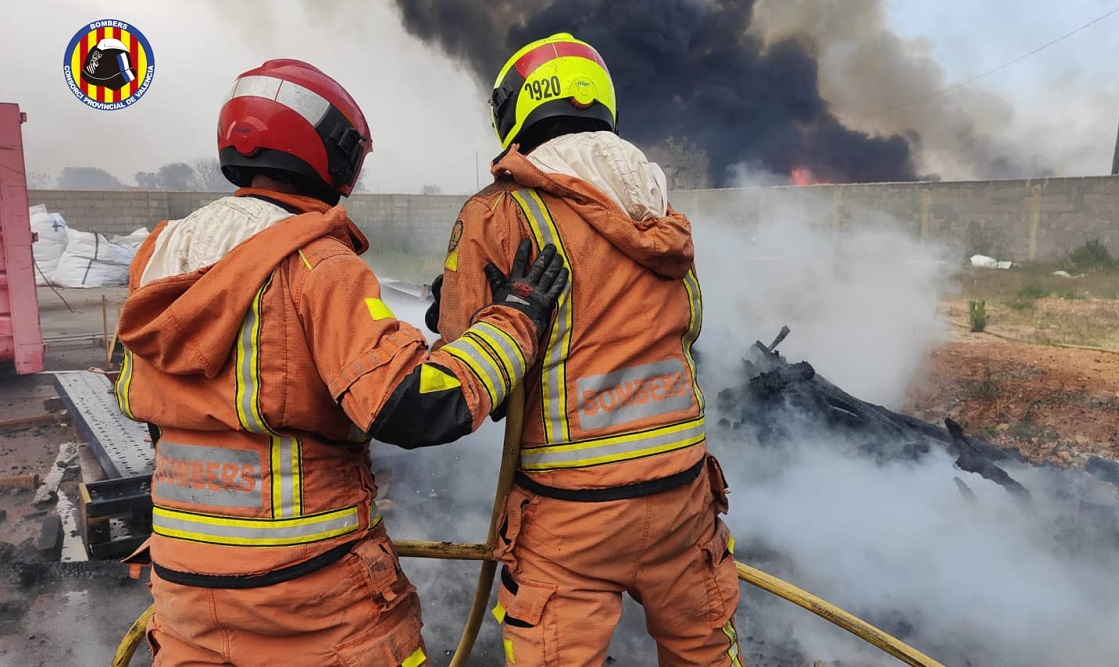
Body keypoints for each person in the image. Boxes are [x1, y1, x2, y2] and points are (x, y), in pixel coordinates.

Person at [114, 58, 567, 667]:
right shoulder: (317, 264)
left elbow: (141, 400)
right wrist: (515, 318)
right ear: (332, 151)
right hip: (309, 590)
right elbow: (417, 403)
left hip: (182, 586)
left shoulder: (159, 258)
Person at [429, 33, 743, 665]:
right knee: (705, 650)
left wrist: (452, 309)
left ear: (516, 108)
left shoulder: (499, 212)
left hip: (570, 512)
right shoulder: (658, 211)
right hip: (683, 494)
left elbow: (472, 374)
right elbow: (684, 327)